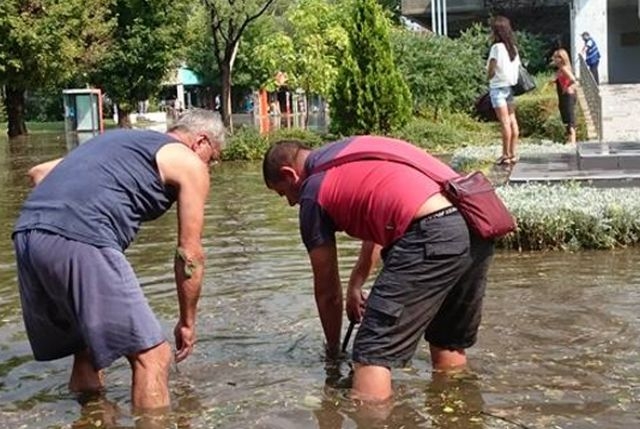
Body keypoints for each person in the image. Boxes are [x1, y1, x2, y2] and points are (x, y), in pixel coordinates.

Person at [12, 109, 225, 411]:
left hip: (27, 236)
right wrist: (188, 322)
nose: (211, 167)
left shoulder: (120, 140)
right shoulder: (189, 161)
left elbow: (40, 172)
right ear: (201, 141)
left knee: (85, 349)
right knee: (153, 357)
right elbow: (189, 254)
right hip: (82, 236)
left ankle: (92, 416)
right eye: (213, 158)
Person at [262, 136, 495, 402]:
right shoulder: (348, 152)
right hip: (475, 223)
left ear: (289, 174)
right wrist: (357, 284)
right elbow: (381, 211)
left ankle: (373, 418)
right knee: (446, 341)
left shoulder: (312, 192)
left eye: (283, 193)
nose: (291, 203)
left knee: (372, 350)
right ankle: (454, 411)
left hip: (432, 231)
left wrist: (334, 353)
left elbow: (327, 292)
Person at [486, 15, 521, 166]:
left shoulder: (496, 48)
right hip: (509, 87)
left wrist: (487, 75)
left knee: (504, 122)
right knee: (512, 120)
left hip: (498, 88)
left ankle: (505, 154)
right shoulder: (513, 48)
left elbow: (492, 70)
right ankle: (513, 153)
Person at [550, 48, 579, 145]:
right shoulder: (561, 69)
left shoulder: (564, 68)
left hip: (568, 95)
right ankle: (569, 138)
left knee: (570, 116)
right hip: (563, 95)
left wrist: (565, 87)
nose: (554, 59)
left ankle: (573, 140)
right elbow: (561, 79)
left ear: (562, 59)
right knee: (566, 116)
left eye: (557, 57)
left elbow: (573, 79)